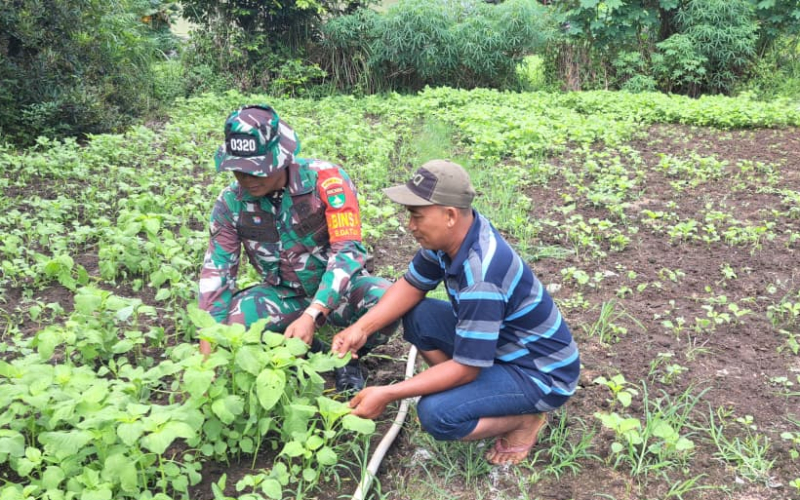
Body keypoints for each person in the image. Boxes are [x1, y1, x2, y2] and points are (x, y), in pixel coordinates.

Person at [331, 160, 580, 465]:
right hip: (503, 348)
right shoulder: (456, 236)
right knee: (419, 314)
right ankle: (471, 395)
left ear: (449, 215)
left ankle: (524, 420)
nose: (410, 225)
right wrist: (361, 328)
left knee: (436, 414)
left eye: (417, 216)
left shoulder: (482, 277)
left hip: (540, 373)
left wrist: (388, 393)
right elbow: (412, 285)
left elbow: (466, 368)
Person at [198, 104, 398, 393]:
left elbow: (347, 251)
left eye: (256, 170)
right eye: (239, 170)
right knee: (229, 326)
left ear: (280, 158)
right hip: (283, 294)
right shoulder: (230, 203)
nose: (247, 178)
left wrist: (313, 314)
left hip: (339, 292)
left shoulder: (326, 181)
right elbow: (217, 276)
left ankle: (346, 359)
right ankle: (308, 350)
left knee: (387, 300)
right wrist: (207, 359)